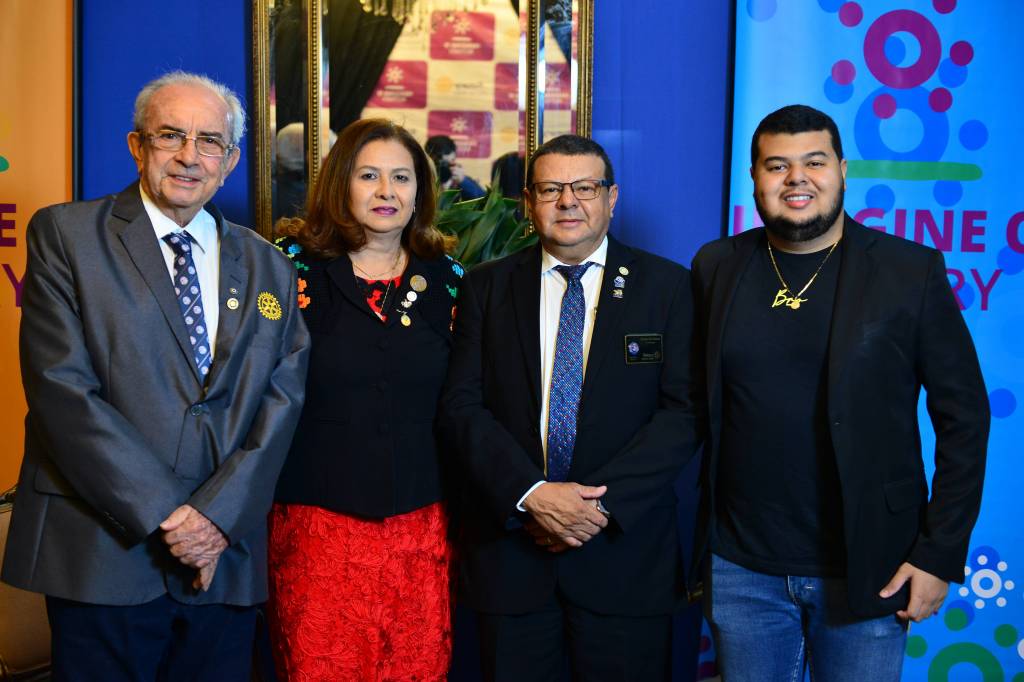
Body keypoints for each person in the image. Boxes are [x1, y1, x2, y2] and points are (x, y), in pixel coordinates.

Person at [0, 71, 310, 681]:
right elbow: (63, 392)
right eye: (171, 135)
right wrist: (176, 520)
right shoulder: (66, 235)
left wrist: (215, 520)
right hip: (102, 553)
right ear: (137, 146)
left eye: (209, 141)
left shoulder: (269, 266)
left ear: (230, 161)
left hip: (223, 560)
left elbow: (282, 401)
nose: (190, 156)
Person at [691, 104, 989, 681]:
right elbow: (690, 405)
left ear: (843, 171)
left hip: (871, 563)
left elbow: (966, 418)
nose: (796, 178)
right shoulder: (716, 266)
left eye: (815, 162)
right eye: (777, 165)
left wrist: (937, 554)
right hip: (740, 568)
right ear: (754, 177)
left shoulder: (909, 271)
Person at [441, 134, 702, 681]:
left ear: (612, 197)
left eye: (584, 187)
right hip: (513, 558)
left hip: (624, 562)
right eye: (550, 189)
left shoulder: (669, 287)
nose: (568, 202)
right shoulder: (486, 287)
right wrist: (532, 495)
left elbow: (683, 414)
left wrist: (595, 510)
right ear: (528, 201)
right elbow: (462, 406)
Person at [268, 118, 463, 681]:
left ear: (420, 190)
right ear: (340, 184)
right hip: (317, 526)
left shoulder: (449, 278)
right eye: (368, 175)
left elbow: (466, 401)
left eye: (401, 177)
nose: (386, 191)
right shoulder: (289, 268)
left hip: (420, 526)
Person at [425, 134, 487, 200]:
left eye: (449, 163)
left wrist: (463, 181)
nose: (443, 169)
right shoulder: (421, 180)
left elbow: (484, 200)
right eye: (439, 164)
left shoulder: (458, 179)